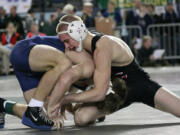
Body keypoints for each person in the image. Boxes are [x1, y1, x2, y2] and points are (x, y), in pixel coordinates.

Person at [49, 14, 180, 126]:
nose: (67, 46)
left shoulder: (102, 47)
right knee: (80, 118)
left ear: (77, 31)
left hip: (140, 85)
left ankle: (92, 103)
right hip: (118, 92)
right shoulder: (86, 45)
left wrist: (65, 98)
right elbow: (81, 77)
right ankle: (96, 110)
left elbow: (99, 93)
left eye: (67, 41)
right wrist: (67, 97)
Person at [0, 34, 94, 130]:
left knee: (40, 119)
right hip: (26, 49)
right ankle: (34, 107)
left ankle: (3, 105)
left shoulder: (77, 75)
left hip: (31, 67)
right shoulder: (83, 57)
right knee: (65, 63)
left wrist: (71, 107)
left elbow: (57, 97)